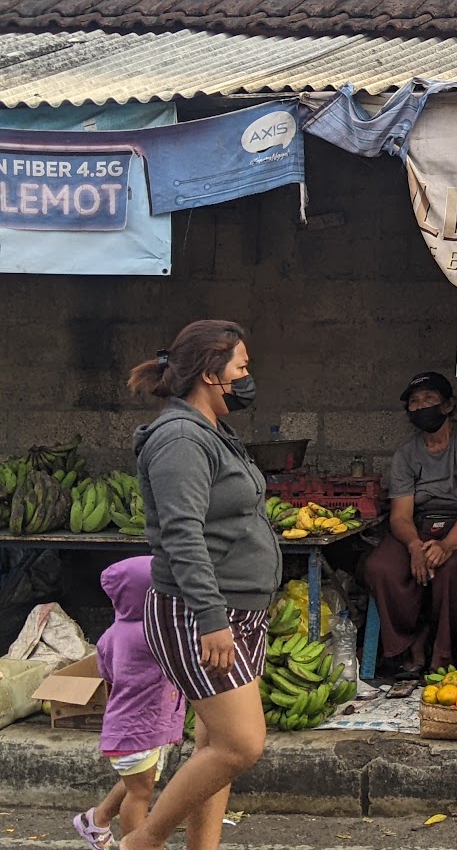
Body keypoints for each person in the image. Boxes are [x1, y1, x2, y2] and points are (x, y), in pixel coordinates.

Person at [119, 320, 281, 850]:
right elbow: (182, 534)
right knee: (240, 745)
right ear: (212, 374)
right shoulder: (181, 438)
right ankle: (140, 842)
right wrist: (211, 619)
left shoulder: (210, 430)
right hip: (201, 613)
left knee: (214, 743)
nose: (247, 376)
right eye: (241, 367)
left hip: (236, 608)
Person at [364, 371, 457, 677]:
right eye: (414, 402)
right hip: (421, 526)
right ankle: (410, 645)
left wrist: (449, 545)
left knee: (451, 570)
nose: (421, 406)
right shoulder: (406, 454)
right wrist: (413, 546)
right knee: (381, 567)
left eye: (429, 399)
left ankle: (444, 651)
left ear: (448, 405)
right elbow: (400, 515)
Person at [72, 557, 186, 850]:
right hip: (139, 728)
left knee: (137, 783)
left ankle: (95, 819)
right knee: (140, 794)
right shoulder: (152, 634)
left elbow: (107, 672)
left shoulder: (112, 634)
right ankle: (137, 843)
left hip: (133, 727)